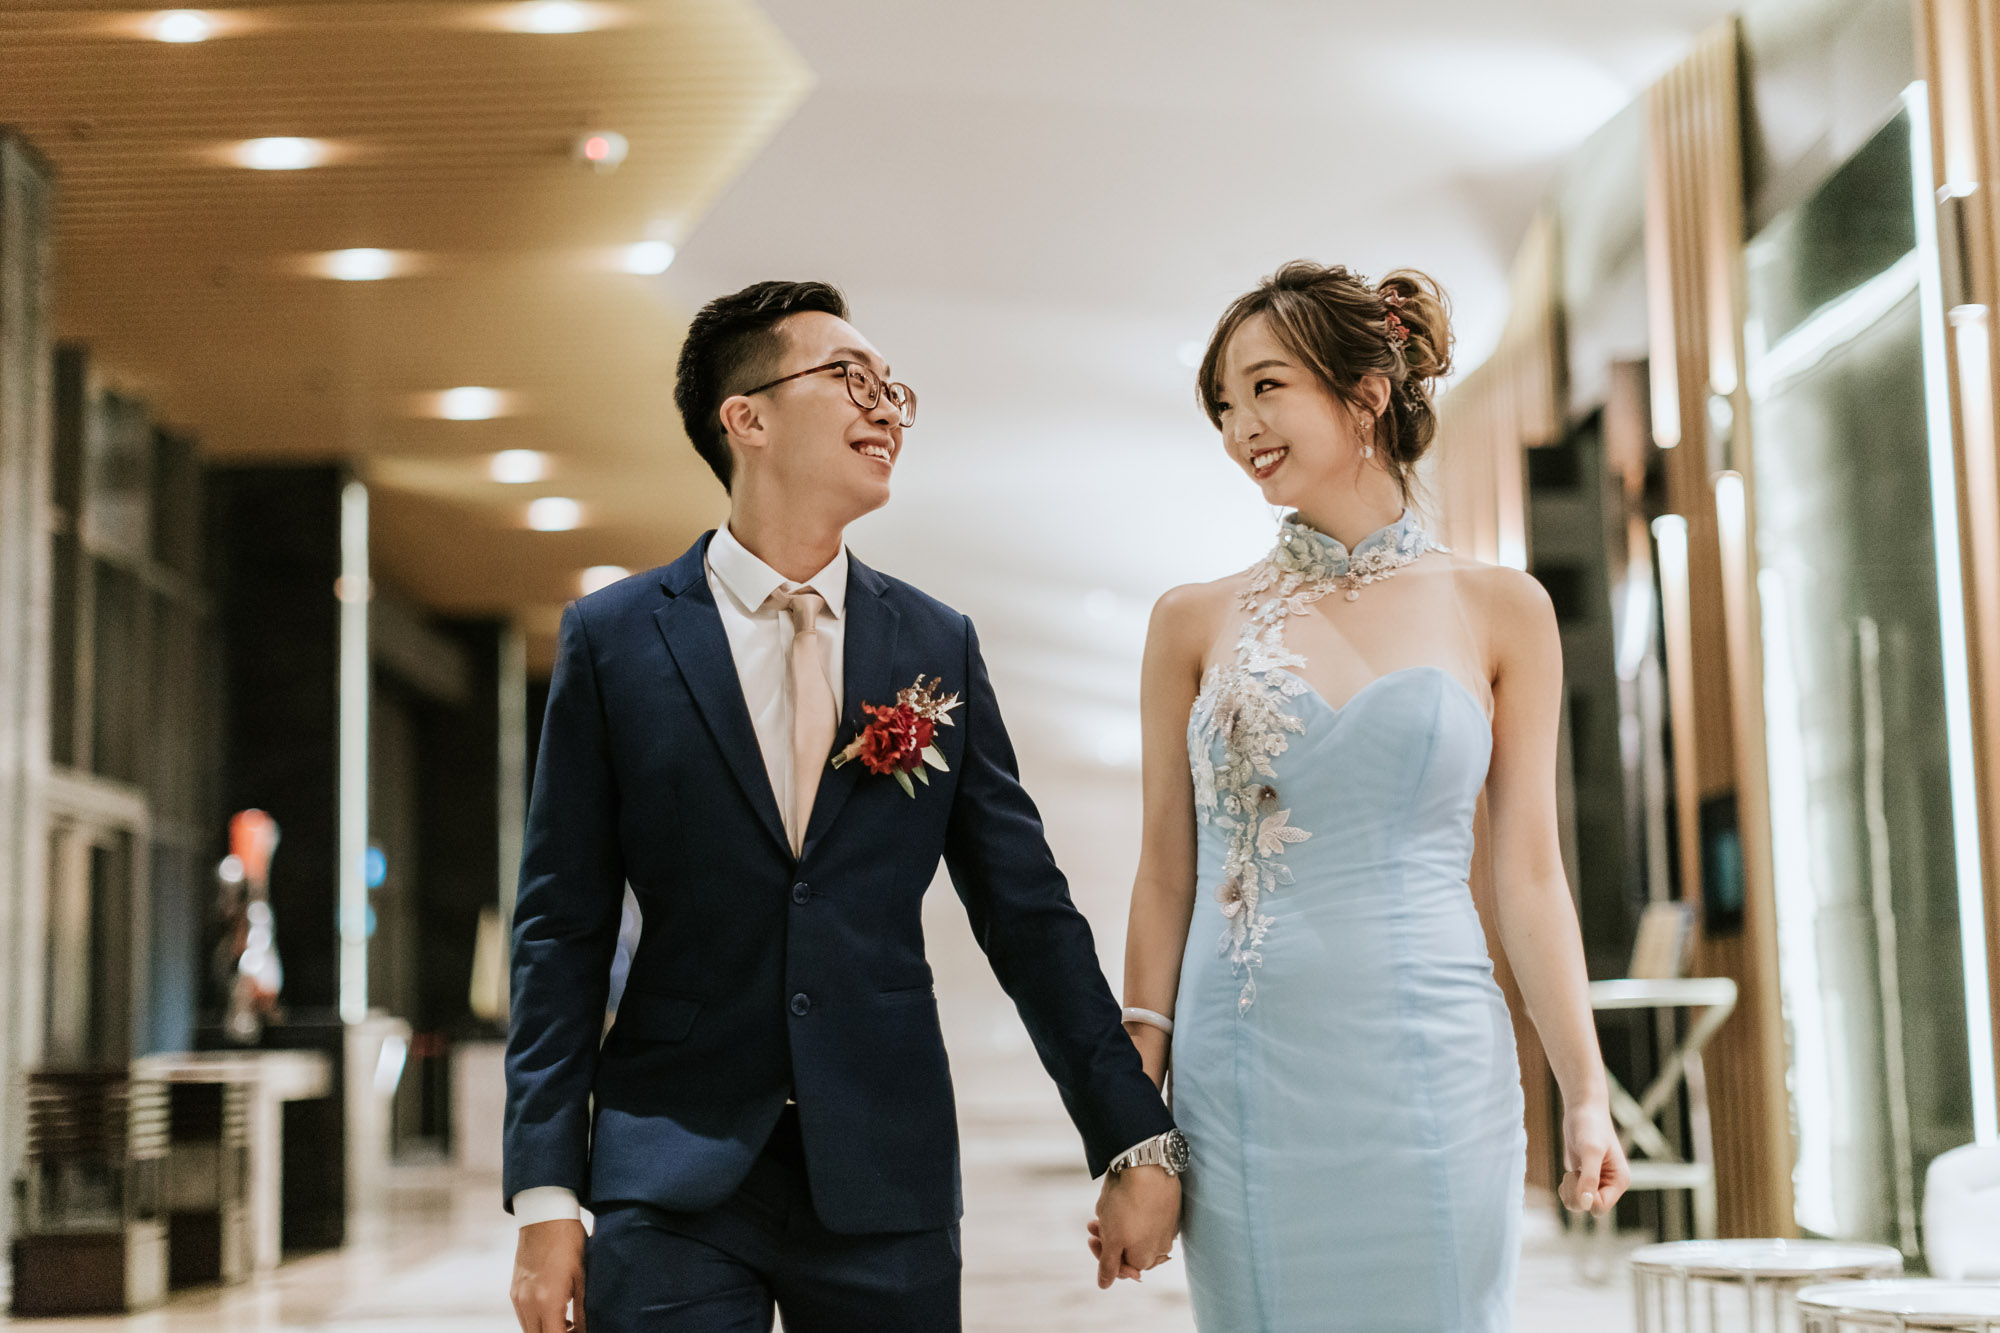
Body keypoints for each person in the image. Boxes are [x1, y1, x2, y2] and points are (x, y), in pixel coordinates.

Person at [504, 279, 1183, 1333]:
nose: (886, 410)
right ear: (747, 418)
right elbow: (562, 928)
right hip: (671, 1168)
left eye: (892, 389)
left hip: (884, 1163)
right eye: (850, 379)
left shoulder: (933, 642)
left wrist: (1131, 1137)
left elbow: (1027, 912)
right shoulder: (614, 638)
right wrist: (546, 1198)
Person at [1111, 261, 1629, 1331]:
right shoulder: (1190, 621)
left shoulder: (1503, 608)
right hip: (1242, 1074)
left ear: (1366, 393)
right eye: (1223, 404)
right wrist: (1131, 1115)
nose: (1240, 428)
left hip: (1436, 1064)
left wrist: (1585, 1086)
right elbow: (1164, 872)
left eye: (1265, 387)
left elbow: (1530, 874)